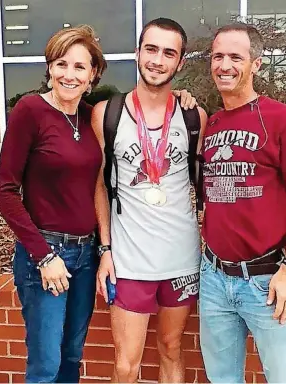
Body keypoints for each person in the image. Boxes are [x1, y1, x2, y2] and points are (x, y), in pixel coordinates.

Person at [0, 24, 196, 383]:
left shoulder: (91, 115)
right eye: (61, 64)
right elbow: (5, 191)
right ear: (50, 68)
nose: (69, 75)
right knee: (45, 364)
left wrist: (100, 248)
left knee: (72, 356)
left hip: (85, 255)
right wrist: (43, 256)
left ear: (93, 75)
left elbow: (97, 183)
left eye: (79, 67)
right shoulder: (31, 110)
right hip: (47, 255)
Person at [199, 23, 286, 383]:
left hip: (266, 279)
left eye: (236, 57)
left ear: (256, 64)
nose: (225, 65)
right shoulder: (213, 124)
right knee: (221, 379)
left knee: (283, 377)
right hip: (214, 277)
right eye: (218, 56)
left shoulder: (283, 119)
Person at [92, 18, 207, 383]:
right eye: (151, 49)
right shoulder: (106, 114)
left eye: (168, 52)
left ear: (180, 63)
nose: (158, 60)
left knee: (172, 350)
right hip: (129, 260)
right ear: (137, 52)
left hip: (180, 258)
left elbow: (202, 183)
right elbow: (98, 185)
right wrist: (105, 249)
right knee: (127, 362)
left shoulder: (194, 117)